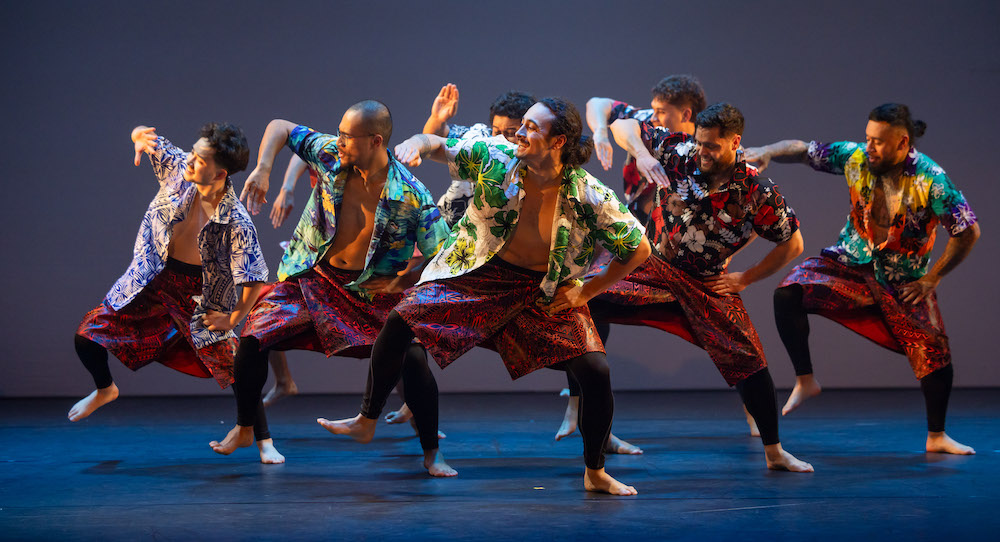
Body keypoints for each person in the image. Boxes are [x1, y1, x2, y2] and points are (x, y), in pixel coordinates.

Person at [320, 98, 651, 495]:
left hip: (538, 291)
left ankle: (595, 472)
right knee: (401, 318)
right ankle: (367, 418)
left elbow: (639, 248)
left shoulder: (587, 193)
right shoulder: (498, 157)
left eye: (532, 128)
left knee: (595, 371)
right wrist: (416, 144)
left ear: (558, 140)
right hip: (479, 275)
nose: (520, 134)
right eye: (522, 125)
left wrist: (587, 290)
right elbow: (439, 145)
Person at [210, 100, 456, 475]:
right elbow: (280, 123)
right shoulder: (329, 156)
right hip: (314, 279)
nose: (338, 140)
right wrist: (263, 168)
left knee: (414, 359)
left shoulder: (410, 194)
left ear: (375, 141)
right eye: (338, 133)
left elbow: (444, 254)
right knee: (252, 338)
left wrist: (403, 279)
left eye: (346, 135)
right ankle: (246, 427)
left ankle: (431, 452)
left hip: (370, 292)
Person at [745, 103, 980, 455]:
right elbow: (804, 150)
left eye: (879, 142)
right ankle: (805, 380)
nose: (869, 147)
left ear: (902, 143)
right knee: (788, 293)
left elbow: (968, 231)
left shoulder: (932, 180)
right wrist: (766, 151)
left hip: (903, 278)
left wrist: (933, 278)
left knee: (933, 351)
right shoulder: (856, 157)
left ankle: (937, 436)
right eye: (867, 138)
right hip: (852, 262)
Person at [598, 103, 813, 472]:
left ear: (735, 143)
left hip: (705, 283)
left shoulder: (756, 190)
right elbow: (623, 124)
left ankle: (774, 452)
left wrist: (744, 278)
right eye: (700, 142)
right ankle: (596, 435)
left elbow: (793, 244)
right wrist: (641, 154)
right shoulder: (679, 151)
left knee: (749, 360)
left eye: (712, 146)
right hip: (654, 269)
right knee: (583, 302)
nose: (702, 151)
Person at [70, 123, 279, 463]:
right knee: (87, 336)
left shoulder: (236, 220)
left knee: (238, 367)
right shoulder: (178, 167)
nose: (190, 160)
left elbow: (254, 279)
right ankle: (105, 388)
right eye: (192, 153)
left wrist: (232, 318)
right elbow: (146, 136)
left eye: (199, 159)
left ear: (220, 172)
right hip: (153, 280)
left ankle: (264, 441)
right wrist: (137, 137)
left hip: (197, 293)